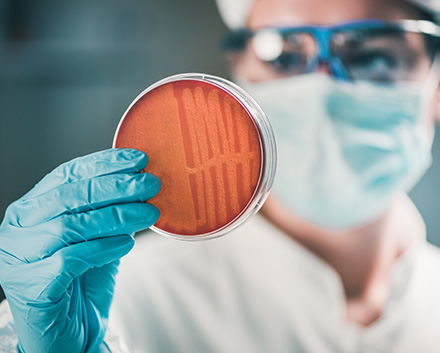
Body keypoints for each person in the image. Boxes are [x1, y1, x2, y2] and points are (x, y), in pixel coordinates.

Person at [1, 0, 440, 352]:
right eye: (283, 56)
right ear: (240, 80)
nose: (321, 87)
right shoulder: (124, 301)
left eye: (374, 56)